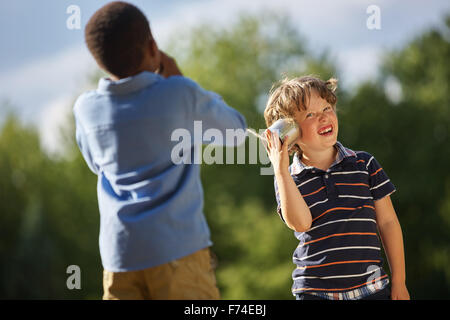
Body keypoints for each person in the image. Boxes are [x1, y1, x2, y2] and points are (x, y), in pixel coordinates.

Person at [73, 1, 247, 300]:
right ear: (152, 45)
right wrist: (180, 79)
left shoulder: (86, 110)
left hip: (119, 258)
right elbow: (236, 131)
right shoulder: (179, 94)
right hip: (177, 252)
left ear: (99, 60)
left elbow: (96, 165)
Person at [263, 76, 410, 300]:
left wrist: (399, 282)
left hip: (372, 290)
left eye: (327, 108)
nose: (323, 117)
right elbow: (301, 223)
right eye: (310, 114)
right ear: (290, 131)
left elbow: (388, 222)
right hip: (315, 293)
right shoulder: (287, 179)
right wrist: (281, 170)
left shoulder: (364, 164)